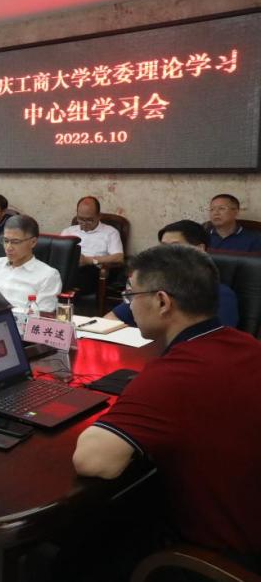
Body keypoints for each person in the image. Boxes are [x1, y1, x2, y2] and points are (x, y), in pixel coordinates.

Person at [72, 244, 261, 571]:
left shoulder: (175, 374)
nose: (128, 304)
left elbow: (93, 461)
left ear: (162, 301)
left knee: (85, 543)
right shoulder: (247, 345)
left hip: (219, 557)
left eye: (131, 294)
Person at [104, 220, 238, 328]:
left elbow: (214, 341)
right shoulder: (151, 287)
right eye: (163, 247)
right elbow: (109, 320)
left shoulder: (220, 295)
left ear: (199, 249)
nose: (165, 254)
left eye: (174, 246)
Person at [60, 196, 124, 294]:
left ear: (99, 216)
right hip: (68, 268)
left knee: (82, 275)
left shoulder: (110, 232)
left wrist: (89, 260)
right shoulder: (68, 231)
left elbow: (119, 257)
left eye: (89, 220)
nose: (84, 223)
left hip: (92, 271)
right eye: (80, 219)